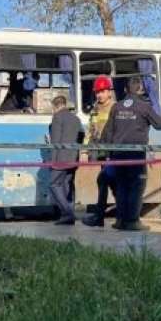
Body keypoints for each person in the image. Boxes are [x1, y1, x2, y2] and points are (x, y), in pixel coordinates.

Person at [101, 75, 161, 231]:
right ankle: (133, 221)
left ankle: (121, 220)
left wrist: (108, 154)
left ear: (125, 89)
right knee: (136, 187)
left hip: (117, 155)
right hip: (136, 156)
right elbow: (160, 125)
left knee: (122, 187)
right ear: (141, 89)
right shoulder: (144, 107)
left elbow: (108, 132)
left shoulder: (117, 107)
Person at [82, 75, 116, 227]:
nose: (100, 95)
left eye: (103, 91)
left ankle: (103, 217)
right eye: (97, 92)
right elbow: (90, 130)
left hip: (113, 153)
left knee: (108, 183)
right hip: (102, 153)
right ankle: (102, 217)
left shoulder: (116, 108)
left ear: (110, 92)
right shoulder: (95, 109)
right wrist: (84, 150)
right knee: (105, 183)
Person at [48, 95, 84, 225]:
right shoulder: (76, 118)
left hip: (61, 158)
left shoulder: (57, 117)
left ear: (55, 106)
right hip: (73, 158)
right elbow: (81, 135)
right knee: (67, 184)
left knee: (54, 184)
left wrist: (53, 161)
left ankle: (68, 213)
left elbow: (56, 141)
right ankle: (66, 215)